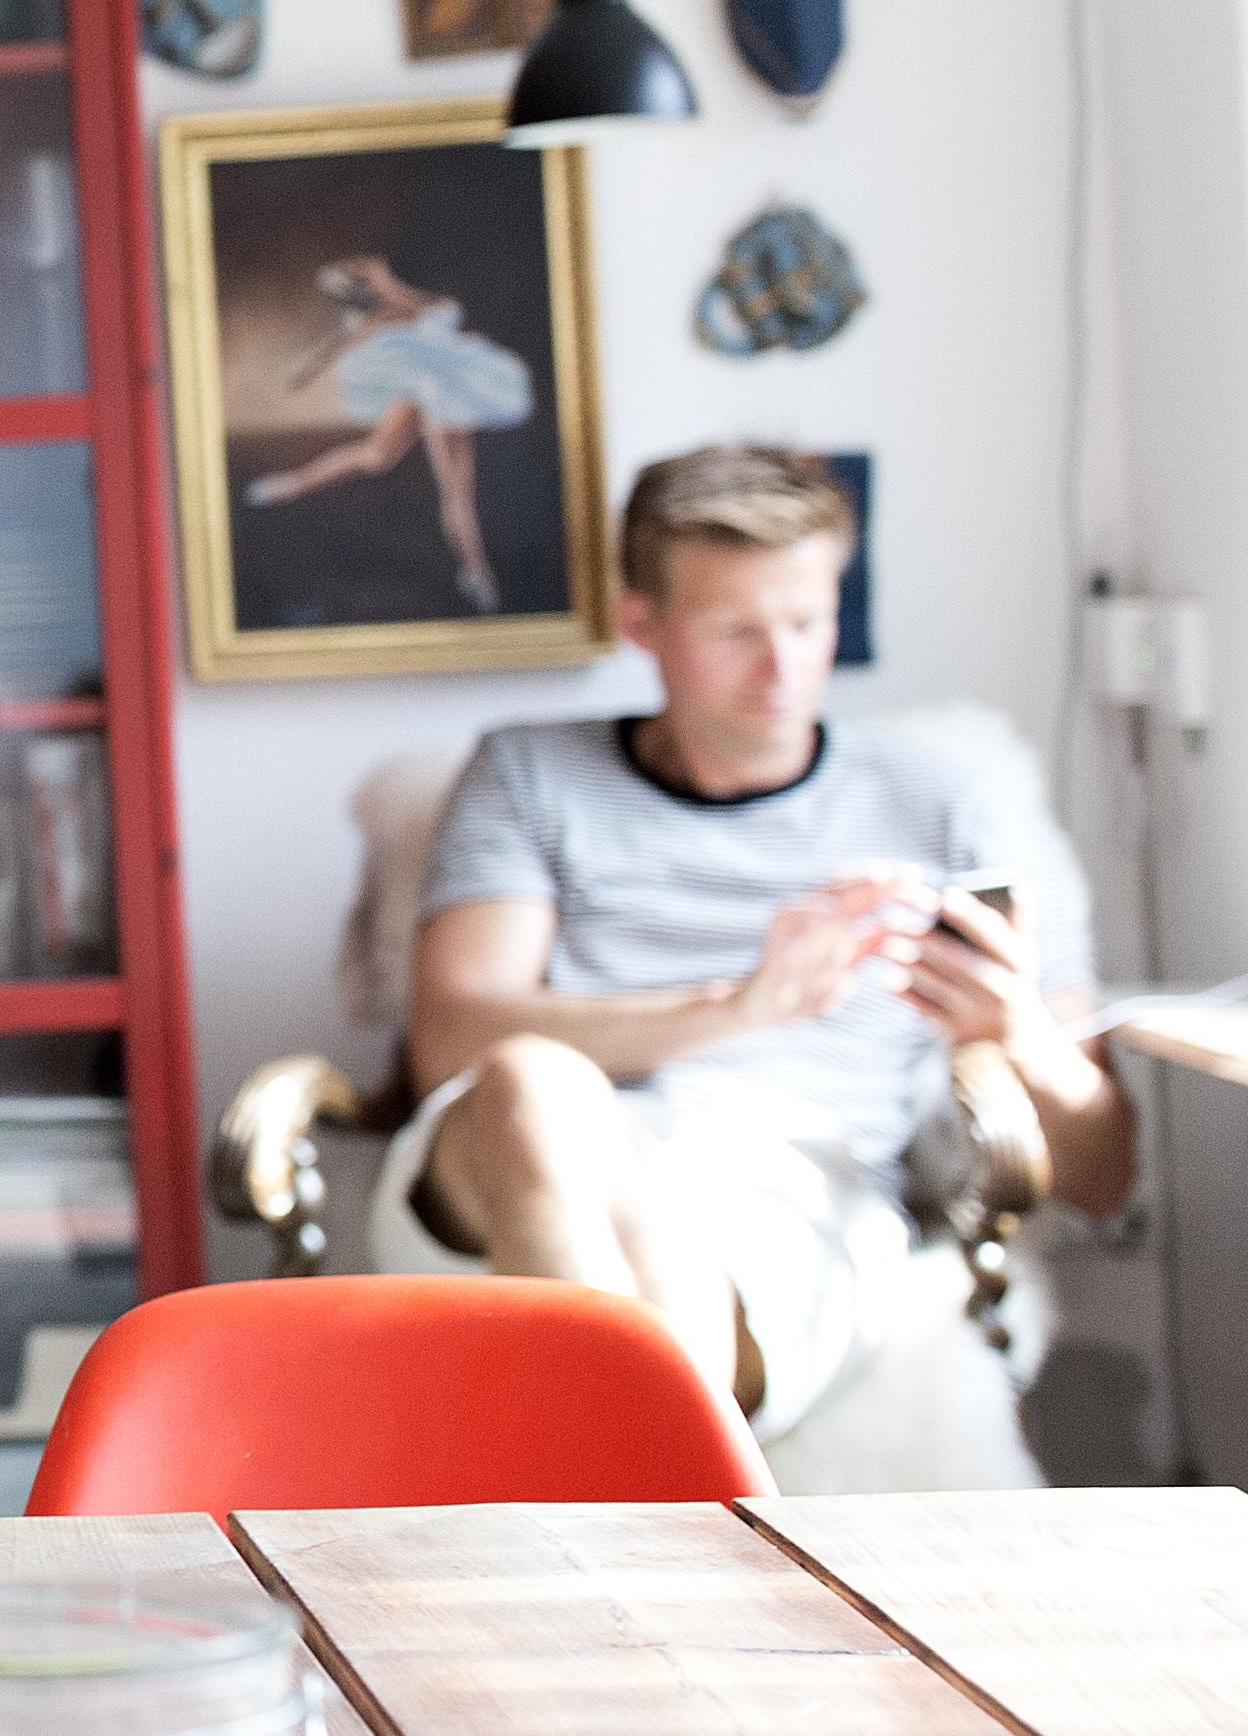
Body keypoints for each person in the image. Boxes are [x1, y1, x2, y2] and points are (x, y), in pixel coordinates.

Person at [381, 445, 1134, 1447]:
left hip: (791, 1187)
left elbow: (1103, 1174)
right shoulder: (531, 773)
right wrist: (740, 1004)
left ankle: (625, 1489)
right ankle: (682, 1513)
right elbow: (449, 1043)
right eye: (736, 631)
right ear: (641, 623)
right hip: (508, 1172)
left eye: (808, 623)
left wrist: (1019, 1033)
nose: (783, 671)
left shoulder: (945, 801)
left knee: (672, 1247)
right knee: (528, 1082)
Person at [246, 255, 539, 612]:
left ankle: (475, 572)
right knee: (375, 457)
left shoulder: (411, 303)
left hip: (444, 395)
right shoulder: (373, 319)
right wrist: (308, 376)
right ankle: (291, 483)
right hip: (418, 390)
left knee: (454, 490)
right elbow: (340, 346)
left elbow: (432, 314)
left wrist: (383, 284)